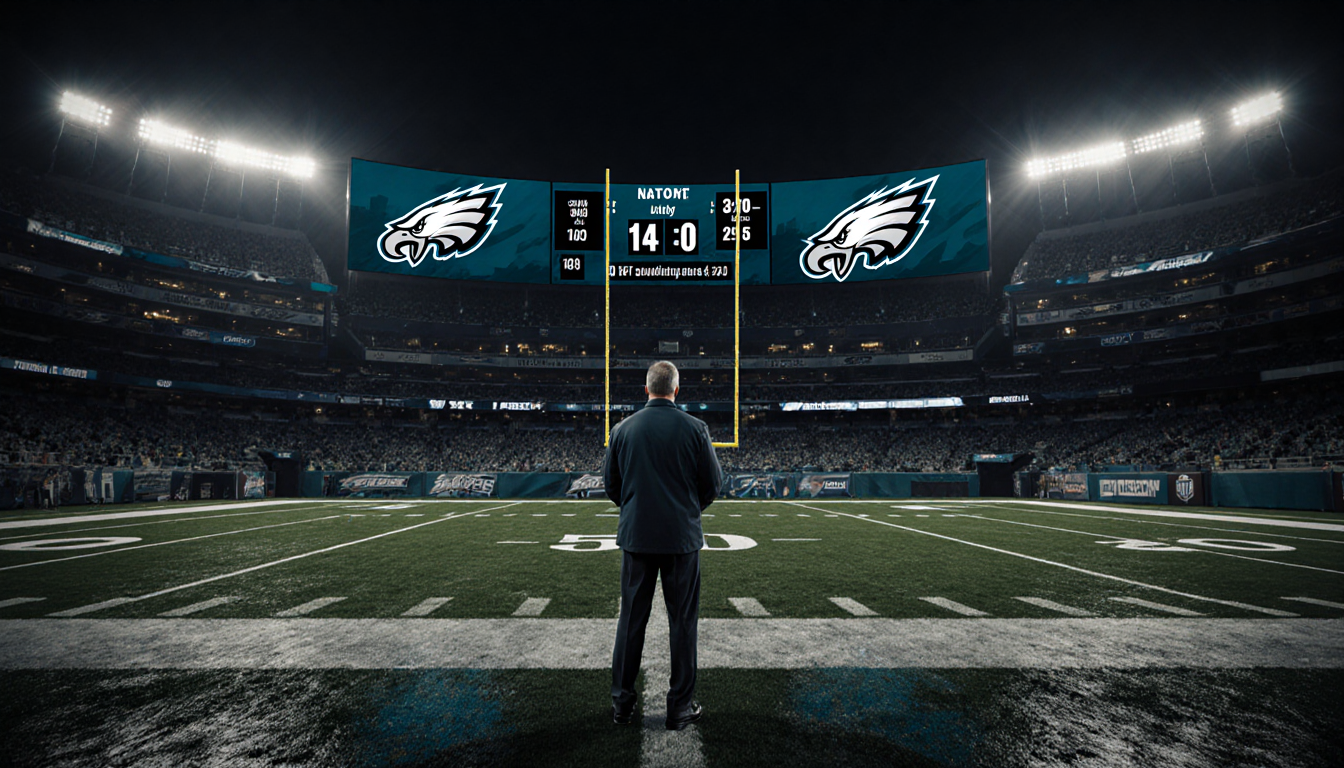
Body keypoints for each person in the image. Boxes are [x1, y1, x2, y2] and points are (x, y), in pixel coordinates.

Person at [603, 360, 723, 730]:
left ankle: (622, 706)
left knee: (630, 622)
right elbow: (713, 485)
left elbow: (612, 485)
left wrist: (638, 509)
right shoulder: (695, 428)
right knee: (682, 624)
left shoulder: (622, 429)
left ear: (646, 390)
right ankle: (679, 709)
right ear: (676, 389)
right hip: (681, 541)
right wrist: (686, 511)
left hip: (637, 538)